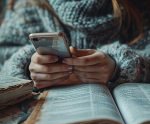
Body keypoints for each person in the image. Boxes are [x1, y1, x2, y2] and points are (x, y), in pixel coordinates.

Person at [0, 0, 150, 89]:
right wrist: (28, 68)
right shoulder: (25, 6)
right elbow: (3, 59)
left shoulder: (140, 6)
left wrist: (121, 66)